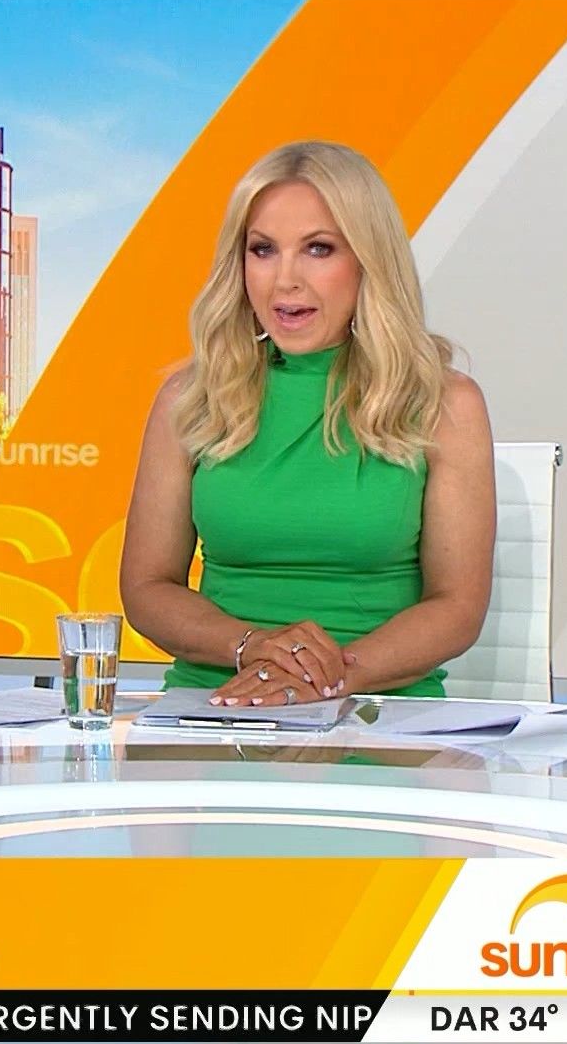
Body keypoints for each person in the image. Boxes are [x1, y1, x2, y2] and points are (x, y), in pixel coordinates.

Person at [120, 140, 495, 707]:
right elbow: (147, 589)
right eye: (263, 250)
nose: (285, 280)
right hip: (218, 703)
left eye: (319, 249)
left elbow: (457, 607)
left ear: (368, 260)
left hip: (379, 710)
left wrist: (326, 677)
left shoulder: (445, 403)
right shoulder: (191, 397)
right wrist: (254, 649)